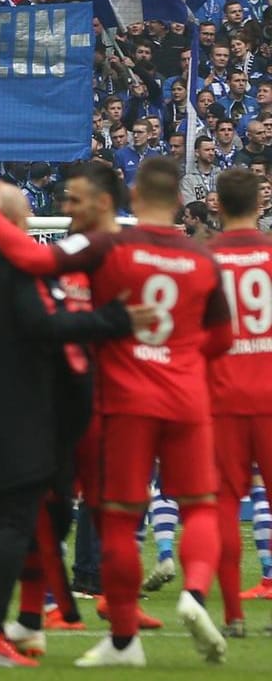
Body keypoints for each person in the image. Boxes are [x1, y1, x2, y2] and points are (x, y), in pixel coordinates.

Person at [0, 158, 234, 666]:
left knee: (108, 518)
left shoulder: (108, 246)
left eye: (75, 198)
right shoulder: (200, 258)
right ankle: (188, 595)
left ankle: (116, 631)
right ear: (179, 202)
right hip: (168, 397)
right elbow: (221, 337)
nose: (69, 206)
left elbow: (31, 263)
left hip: (117, 400)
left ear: (126, 199)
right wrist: (181, 359)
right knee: (193, 506)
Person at [0, 183, 156, 667]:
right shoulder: (16, 270)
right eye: (30, 209)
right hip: (17, 415)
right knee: (15, 522)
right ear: (14, 221)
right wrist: (113, 320)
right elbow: (46, 328)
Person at [203, 168, 272, 636]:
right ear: (261, 206)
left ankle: (232, 615)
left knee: (224, 505)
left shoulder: (204, 260)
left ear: (218, 206)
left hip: (223, 396)